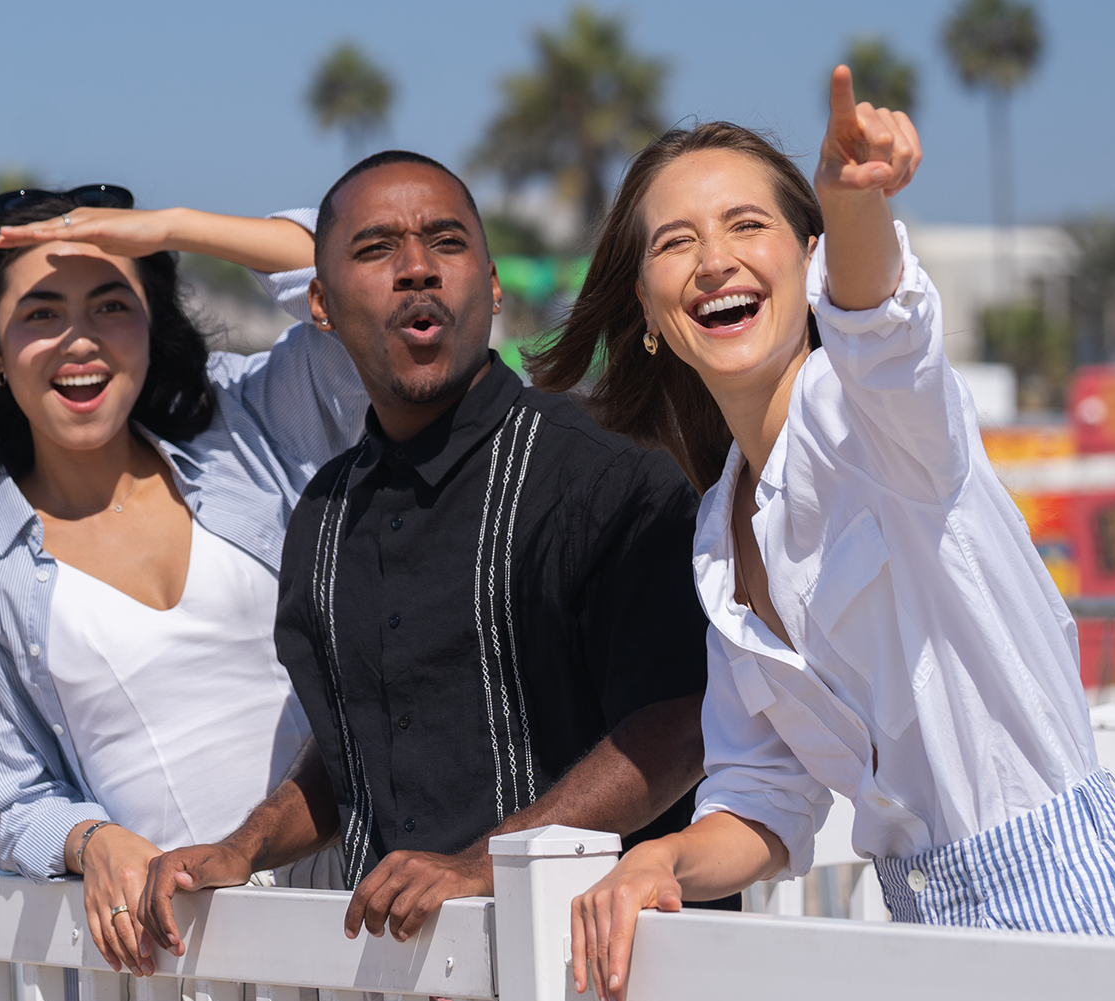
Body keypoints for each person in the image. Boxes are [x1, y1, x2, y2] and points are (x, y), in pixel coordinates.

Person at [538, 67, 1115, 1001]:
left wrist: (853, 197)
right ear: (651, 312)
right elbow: (764, 801)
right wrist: (656, 857)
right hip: (929, 965)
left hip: (1083, 930)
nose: (714, 260)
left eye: (748, 225)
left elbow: (883, 332)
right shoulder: (716, 538)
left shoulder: (871, 420)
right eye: (676, 241)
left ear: (809, 258)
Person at [137, 150, 736, 958]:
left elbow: (682, 719)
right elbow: (355, 740)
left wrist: (482, 863)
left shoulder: (605, 475)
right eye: (377, 248)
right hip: (408, 992)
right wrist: (247, 847)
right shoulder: (323, 515)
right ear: (320, 302)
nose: (417, 268)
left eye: (446, 243)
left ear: (490, 287)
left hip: (611, 985)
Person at [0, 187, 368, 983]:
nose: (80, 342)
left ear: (150, 324)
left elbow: (348, 268)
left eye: (109, 305)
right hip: (179, 966)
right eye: (40, 314)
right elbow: (5, 800)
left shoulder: (244, 433)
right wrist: (90, 841)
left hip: (361, 923)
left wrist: (169, 230)